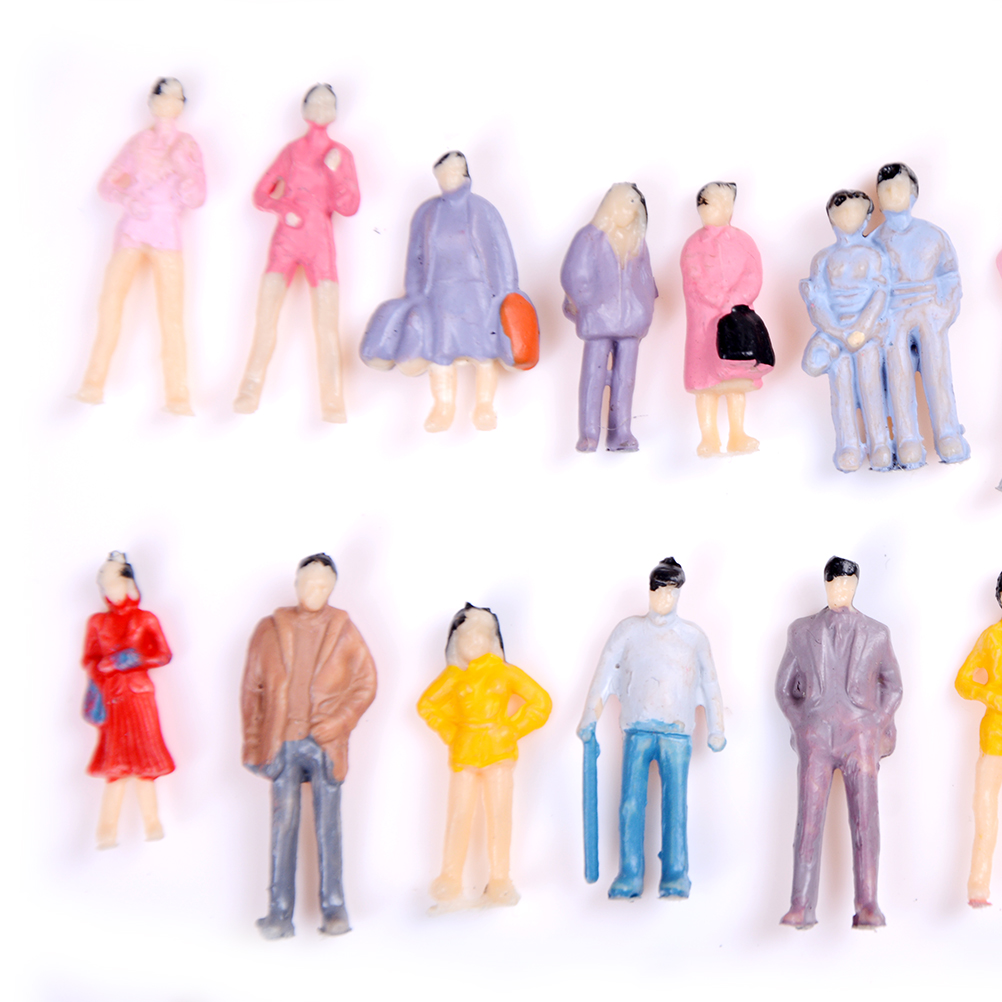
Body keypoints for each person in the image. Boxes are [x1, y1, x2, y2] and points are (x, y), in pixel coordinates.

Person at [240, 554, 377, 938]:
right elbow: (252, 690)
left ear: (331, 588)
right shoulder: (269, 629)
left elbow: (366, 683)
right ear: (296, 584)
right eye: (307, 583)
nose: (313, 591)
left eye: (322, 585)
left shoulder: (344, 630)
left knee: (328, 826)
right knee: (282, 825)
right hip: (282, 742)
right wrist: (252, 745)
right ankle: (279, 913)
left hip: (324, 744)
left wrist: (339, 721)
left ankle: (334, 908)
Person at [578, 558, 726, 899]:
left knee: (675, 806)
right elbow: (605, 674)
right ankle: (629, 873)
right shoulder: (628, 631)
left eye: (672, 592)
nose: (665, 598)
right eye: (660, 591)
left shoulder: (693, 637)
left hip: (677, 733)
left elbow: (710, 683)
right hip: (638, 730)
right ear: (650, 591)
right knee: (631, 804)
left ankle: (675, 874)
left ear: (679, 594)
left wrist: (716, 727)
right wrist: (589, 717)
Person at [360, 152, 534, 432]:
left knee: (483, 350)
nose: (449, 178)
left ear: (465, 174)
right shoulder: (427, 213)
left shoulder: (483, 209)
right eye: (443, 174)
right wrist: (414, 294)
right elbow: (415, 257)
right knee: (440, 352)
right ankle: (443, 406)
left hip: (478, 292)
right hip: (440, 294)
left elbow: (502, 252)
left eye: (454, 172)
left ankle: (484, 406)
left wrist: (506, 291)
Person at [775, 557, 903, 929]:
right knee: (808, 819)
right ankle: (801, 904)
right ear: (826, 585)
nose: (840, 591)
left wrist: (876, 722)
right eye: (834, 584)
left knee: (866, 820)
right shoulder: (801, 631)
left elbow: (894, 686)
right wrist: (802, 723)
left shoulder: (877, 633)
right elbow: (784, 689)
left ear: (855, 586)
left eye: (846, 584)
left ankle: (868, 903)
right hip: (816, 736)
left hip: (859, 737)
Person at [78, 78, 205, 414]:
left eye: (176, 98)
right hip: (132, 231)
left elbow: (197, 197)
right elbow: (107, 185)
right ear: (152, 102)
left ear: (182, 105)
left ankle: (177, 395)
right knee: (110, 305)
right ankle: (93, 381)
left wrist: (186, 175)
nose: (168, 103)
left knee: (172, 317)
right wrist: (126, 200)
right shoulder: (138, 143)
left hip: (167, 235)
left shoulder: (187, 146)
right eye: (163, 96)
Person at [234, 85, 360, 423]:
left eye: (328, 104)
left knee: (327, 326)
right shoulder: (291, 152)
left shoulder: (340, 155)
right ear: (304, 110)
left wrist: (334, 173)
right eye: (315, 103)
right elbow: (261, 195)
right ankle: (250, 387)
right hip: (286, 242)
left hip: (320, 245)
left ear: (335, 112)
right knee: (266, 319)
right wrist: (284, 206)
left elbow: (349, 206)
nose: (321, 109)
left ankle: (333, 400)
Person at [417, 604, 551, 908]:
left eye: (481, 634)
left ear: (493, 640)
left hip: (499, 752)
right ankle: (450, 876)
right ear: (456, 642)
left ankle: (500, 879)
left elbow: (541, 702)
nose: (474, 641)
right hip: (464, 752)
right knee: (459, 814)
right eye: (467, 635)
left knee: (499, 816)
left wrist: (513, 729)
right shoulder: (454, 677)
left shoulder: (505, 673)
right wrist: (450, 732)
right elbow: (427, 705)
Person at [872, 162, 969, 467]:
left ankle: (948, 433)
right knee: (898, 375)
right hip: (893, 314)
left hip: (929, 310)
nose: (892, 193)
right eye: (885, 189)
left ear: (914, 193)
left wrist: (945, 309)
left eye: (898, 187)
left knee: (937, 372)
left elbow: (950, 274)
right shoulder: (873, 242)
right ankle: (907, 438)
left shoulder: (933, 234)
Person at [82, 552, 174, 849]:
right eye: (105, 586)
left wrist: (133, 659)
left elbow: (163, 655)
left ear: (128, 584)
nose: (110, 592)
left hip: (139, 696)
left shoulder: (145, 619)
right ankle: (106, 831)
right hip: (113, 698)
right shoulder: (97, 622)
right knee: (115, 768)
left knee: (145, 765)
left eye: (114, 584)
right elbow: (89, 659)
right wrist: (103, 665)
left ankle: (152, 822)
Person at [561, 183, 658, 452]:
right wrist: (587, 304)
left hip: (631, 320)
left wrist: (646, 304)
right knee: (593, 375)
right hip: (599, 320)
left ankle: (621, 431)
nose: (629, 212)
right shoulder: (590, 237)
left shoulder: (637, 242)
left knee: (625, 379)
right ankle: (589, 433)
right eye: (625, 204)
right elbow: (573, 275)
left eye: (634, 207)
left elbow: (646, 277)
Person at [801, 190, 892, 472]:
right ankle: (849, 445)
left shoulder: (873, 255)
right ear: (831, 217)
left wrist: (863, 329)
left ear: (866, 218)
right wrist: (836, 332)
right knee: (841, 386)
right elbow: (817, 301)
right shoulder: (823, 258)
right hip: (835, 333)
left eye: (855, 211)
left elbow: (880, 295)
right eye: (841, 211)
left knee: (870, 383)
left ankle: (880, 444)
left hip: (867, 332)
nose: (848, 217)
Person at [680, 182, 771, 456]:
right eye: (705, 203)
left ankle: (737, 434)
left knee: (735, 378)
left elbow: (753, 275)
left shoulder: (744, 241)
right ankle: (708, 438)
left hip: (736, 317)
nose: (710, 209)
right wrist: (716, 298)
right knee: (705, 383)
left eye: (718, 203)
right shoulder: (693, 244)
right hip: (704, 321)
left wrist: (733, 299)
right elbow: (693, 277)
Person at [954, 571, 1002, 907]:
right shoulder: (991, 638)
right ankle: (978, 886)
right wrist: (993, 697)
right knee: (985, 812)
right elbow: (963, 682)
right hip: (994, 739)